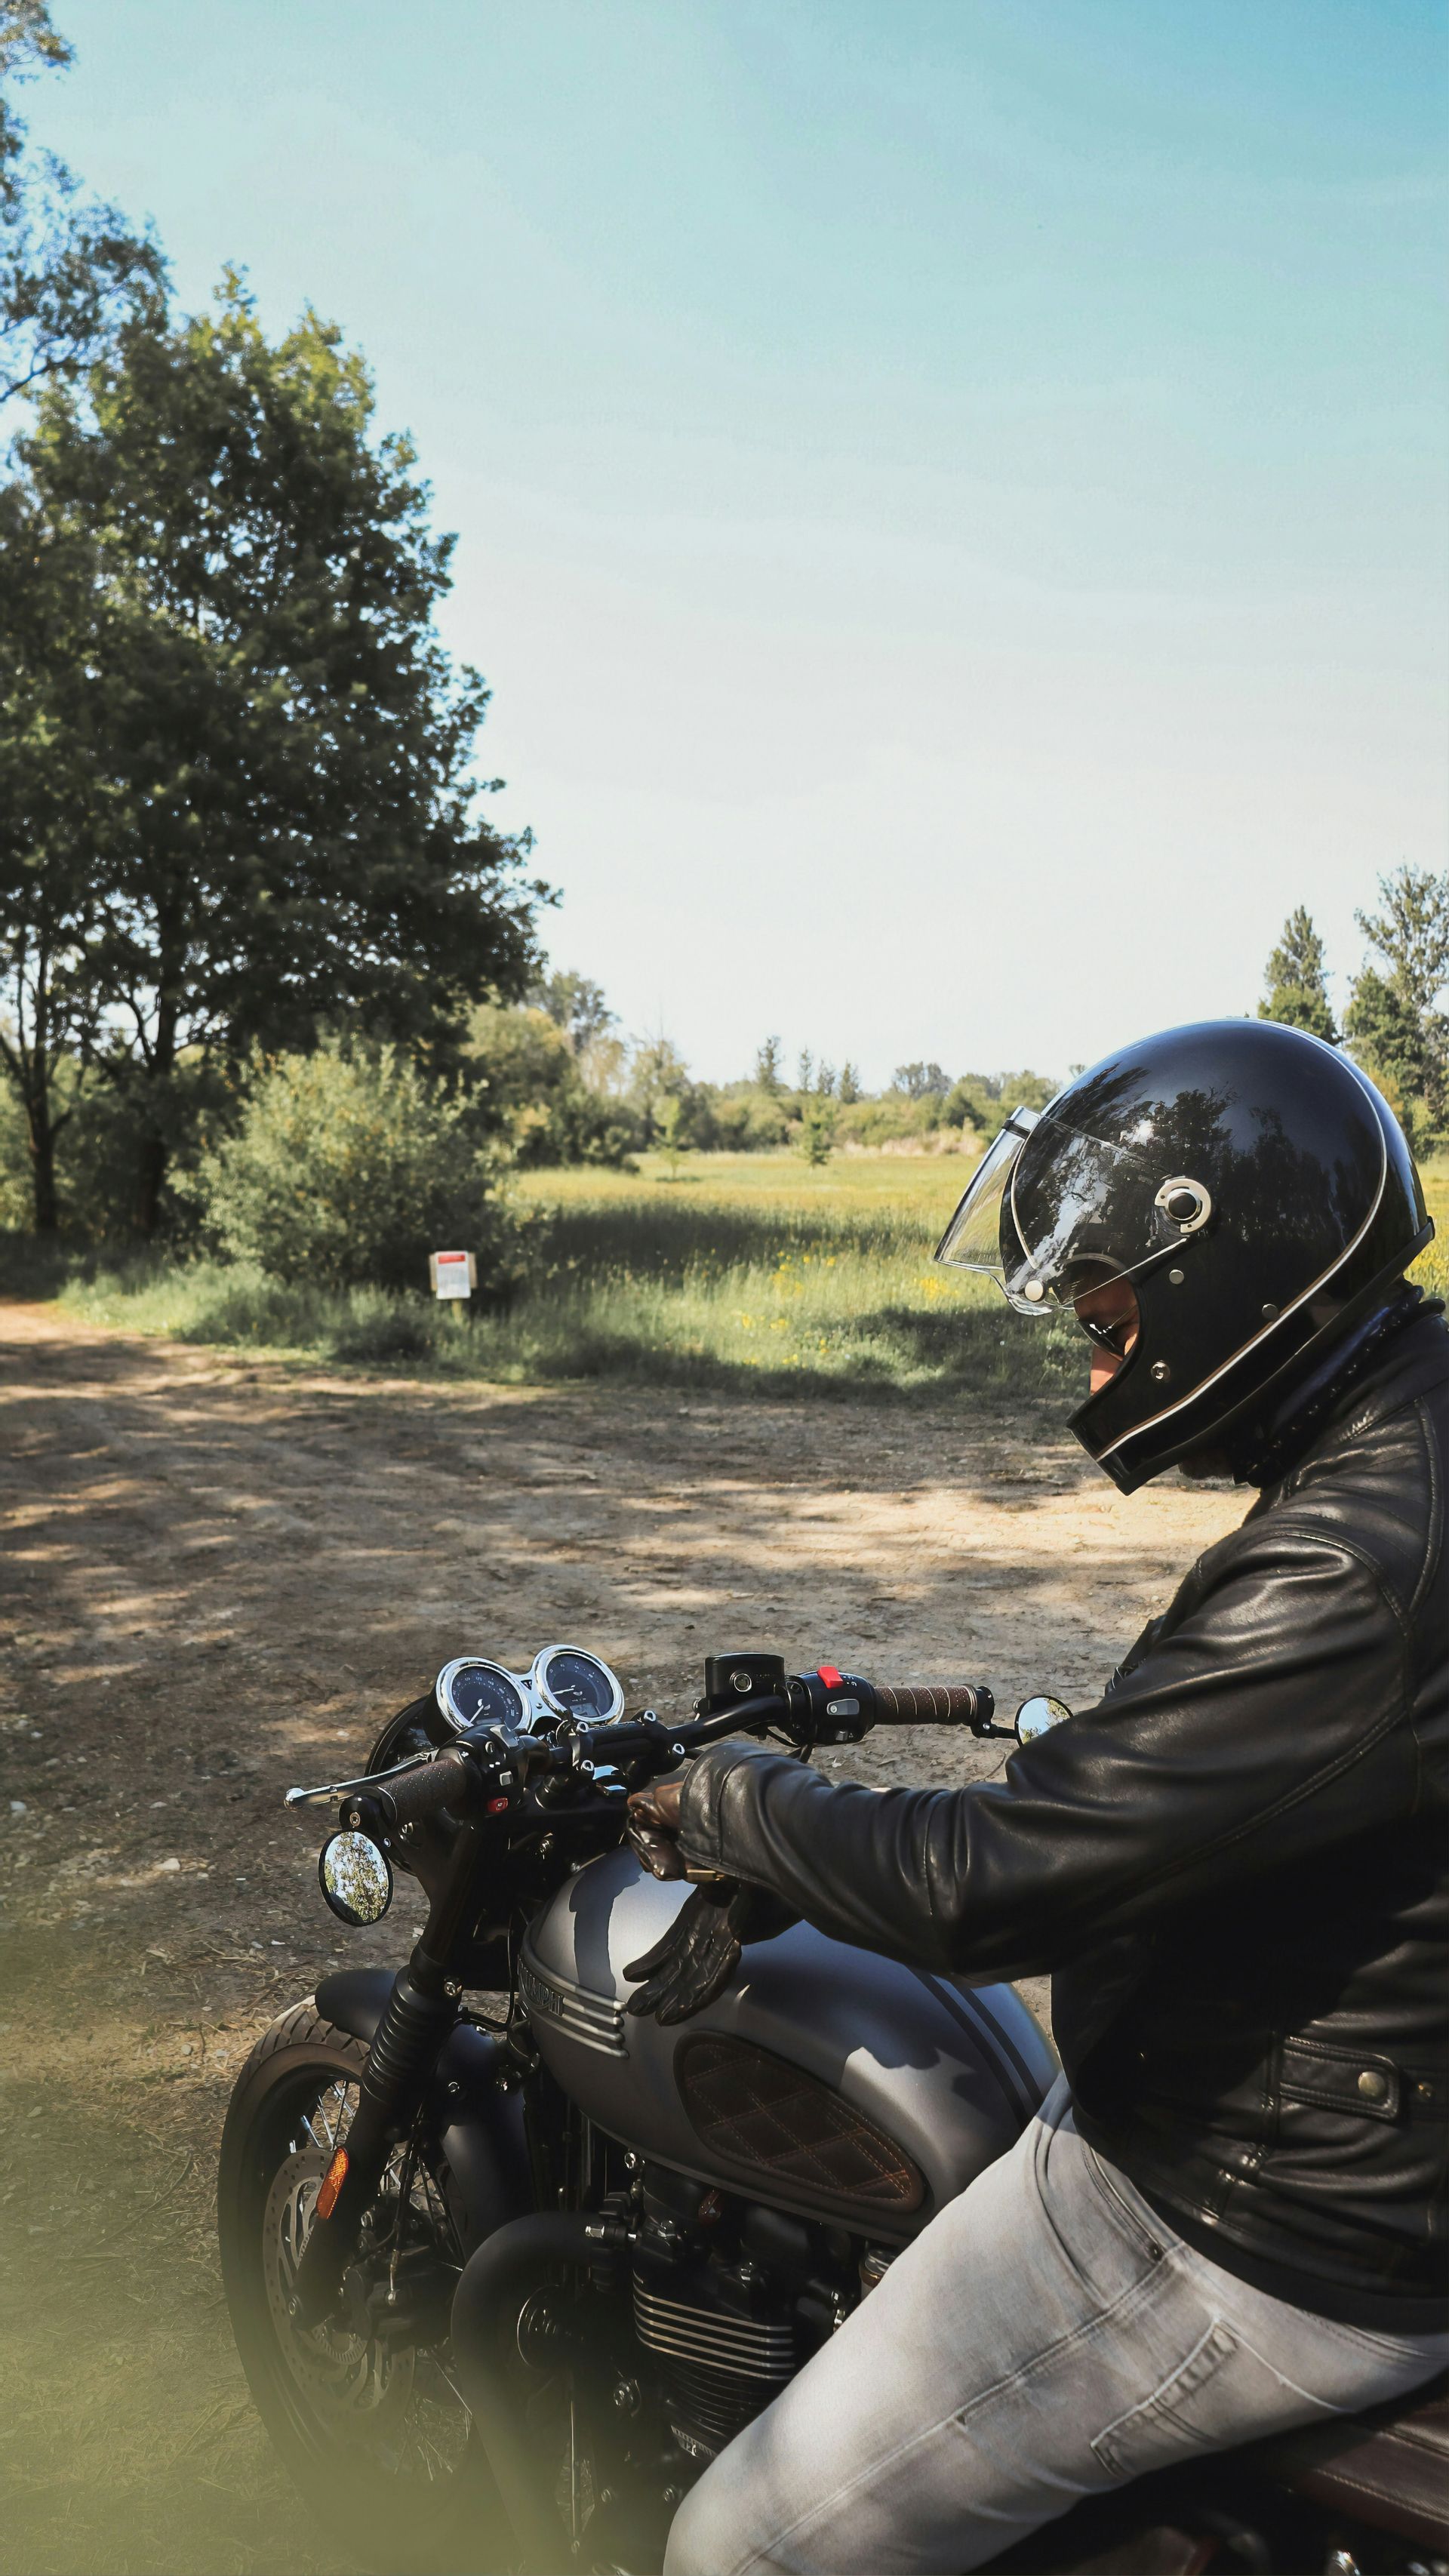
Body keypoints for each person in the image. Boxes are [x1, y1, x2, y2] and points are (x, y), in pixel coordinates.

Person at [624, 1018, 1449, 2576]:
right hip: (1354, 2127)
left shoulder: (1355, 1557)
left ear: (1229, 1280)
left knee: (734, 2547)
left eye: (1113, 1317)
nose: (1092, 1363)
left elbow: (987, 1880)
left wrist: (733, 1804)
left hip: (1257, 2216)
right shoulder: (1411, 1415)